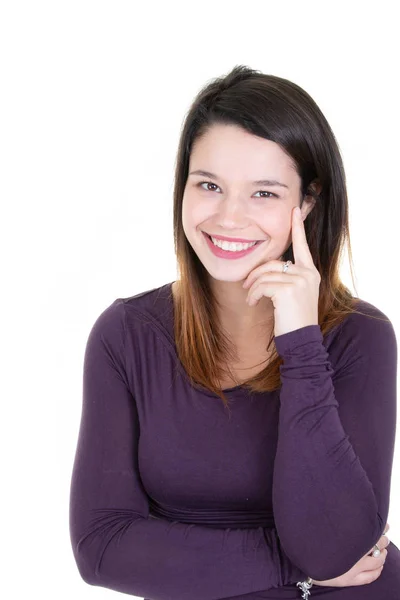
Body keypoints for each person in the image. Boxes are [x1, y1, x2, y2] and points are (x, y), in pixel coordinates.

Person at [69, 65, 400, 598]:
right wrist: (288, 563)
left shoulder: (361, 336)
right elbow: (102, 548)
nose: (228, 217)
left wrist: (301, 341)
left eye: (264, 194)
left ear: (307, 202)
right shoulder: (126, 336)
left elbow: (335, 545)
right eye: (209, 185)